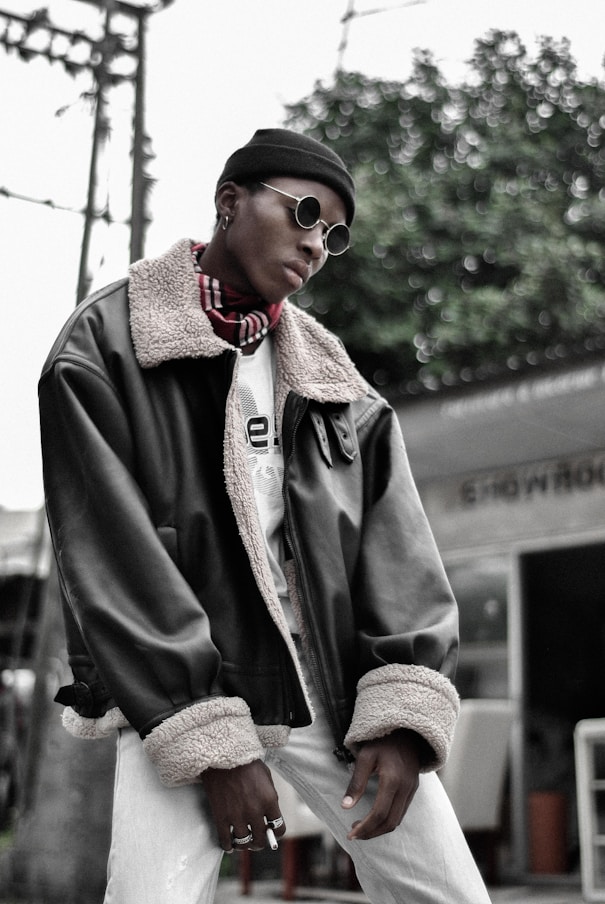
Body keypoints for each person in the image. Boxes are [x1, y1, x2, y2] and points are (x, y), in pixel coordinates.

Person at [39, 128, 491, 904]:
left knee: (448, 895)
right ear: (229, 203)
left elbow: (395, 548)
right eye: (305, 213)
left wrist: (399, 714)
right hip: (186, 695)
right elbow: (113, 560)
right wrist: (210, 741)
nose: (317, 244)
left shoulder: (337, 383)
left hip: (336, 696)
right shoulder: (104, 347)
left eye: (333, 233)